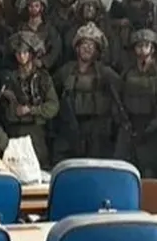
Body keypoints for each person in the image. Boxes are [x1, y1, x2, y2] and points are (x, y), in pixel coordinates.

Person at [52, 22, 121, 161]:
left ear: (97, 51)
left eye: (92, 45)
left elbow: (120, 93)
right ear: (77, 48)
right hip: (70, 127)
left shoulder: (105, 72)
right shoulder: (66, 70)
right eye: (84, 44)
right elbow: (51, 91)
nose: (87, 49)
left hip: (97, 130)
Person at [115, 29, 157, 178]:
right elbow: (118, 99)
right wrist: (123, 121)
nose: (142, 49)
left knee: (150, 171)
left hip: (154, 128)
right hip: (130, 125)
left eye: (146, 45)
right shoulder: (128, 72)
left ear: (152, 48)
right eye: (138, 46)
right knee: (120, 166)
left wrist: (150, 128)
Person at [0, 31, 59, 168]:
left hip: (35, 130)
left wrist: (31, 110)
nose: (21, 56)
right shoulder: (9, 78)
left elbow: (53, 106)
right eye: (18, 53)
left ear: (31, 54)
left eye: (25, 52)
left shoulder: (42, 78)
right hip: (13, 131)